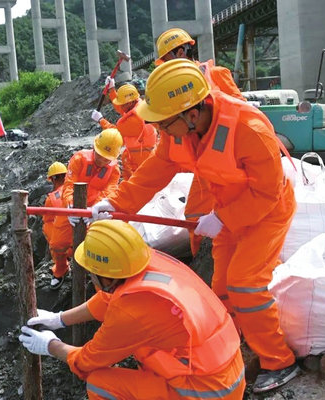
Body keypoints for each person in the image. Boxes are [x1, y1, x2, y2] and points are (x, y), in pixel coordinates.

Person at [91, 59, 301, 393]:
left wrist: (224, 219)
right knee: (219, 289)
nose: (159, 131)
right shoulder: (177, 131)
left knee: (245, 285)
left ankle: (280, 361)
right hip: (226, 210)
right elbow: (153, 171)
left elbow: (266, 192)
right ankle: (231, 350)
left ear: (192, 114)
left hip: (266, 212)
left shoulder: (249, 129)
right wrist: (117, 204)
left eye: (163, 124)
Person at [19, 220, 245, 399]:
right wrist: (60, 320)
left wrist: (51, 345)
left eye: (92, 272)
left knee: (100, 385)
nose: (90, 277)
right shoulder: (145, 264)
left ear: (106, 276)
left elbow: (87, 361)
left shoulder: (133, 312)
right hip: (225, 373)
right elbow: (107, 300)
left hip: (206, 392)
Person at [155, 27, 246, 256]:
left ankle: (225, 254)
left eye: (167, 60)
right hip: (204, 166)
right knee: (195, 215)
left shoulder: (216, 74)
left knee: (233, 214)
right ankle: (202, 263)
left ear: (182, 51)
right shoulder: (174, 87)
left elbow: (240, 113)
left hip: (229, 162)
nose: (166, 66)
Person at [47, 129, 122, 289]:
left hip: (93, 213)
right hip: (70, 208)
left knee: (94, 245)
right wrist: (70, 205)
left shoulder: (114, 171)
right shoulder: (79, 159)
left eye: (106, 158)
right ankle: (60, 270)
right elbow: (68, 184)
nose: (101, 160)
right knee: (57, 245)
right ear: (94, 148)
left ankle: (95, 280)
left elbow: (110, 192)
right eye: (99, 154)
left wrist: (95, 209)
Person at [92, 80, 158, 180]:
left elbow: (116, 133)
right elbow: (121, 106)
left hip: (142, 160)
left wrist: (101, 120)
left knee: (139, 183)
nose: (121, 106)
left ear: (130, 102)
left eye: (123, 104)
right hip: (137, 156)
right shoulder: (137, 104)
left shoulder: (136, 119)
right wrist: (112, 89)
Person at [42, 161, 67, 278]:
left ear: (53, 179)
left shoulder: (52, 199)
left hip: (65, 246)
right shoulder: (77, 190)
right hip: (85, 240)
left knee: (47, 227)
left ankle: (60, 269)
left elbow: (47, 219)